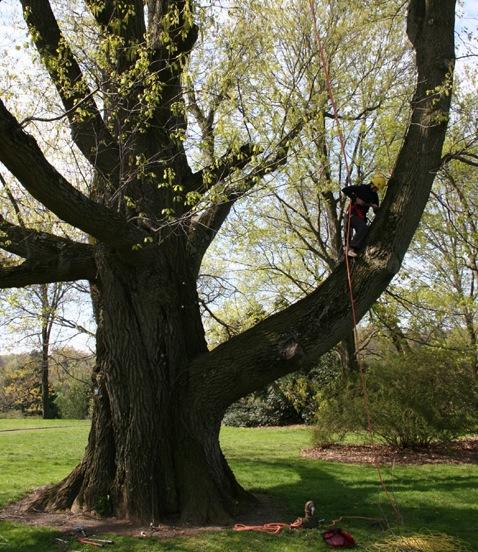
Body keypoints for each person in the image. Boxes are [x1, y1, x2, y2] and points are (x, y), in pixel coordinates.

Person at [341, 173, 387, 257]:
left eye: (377, 189)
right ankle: (349, 248)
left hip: (361, 217)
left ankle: (354, 249)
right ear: (372, 184)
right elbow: (345, 189)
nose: (376, 190)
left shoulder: (374, 196)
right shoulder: (361, 188)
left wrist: (376, 208)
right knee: (362, 228)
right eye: (376, 188)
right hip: (351, 214)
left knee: (365, 233)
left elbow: (376, 211)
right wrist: (355, 198)